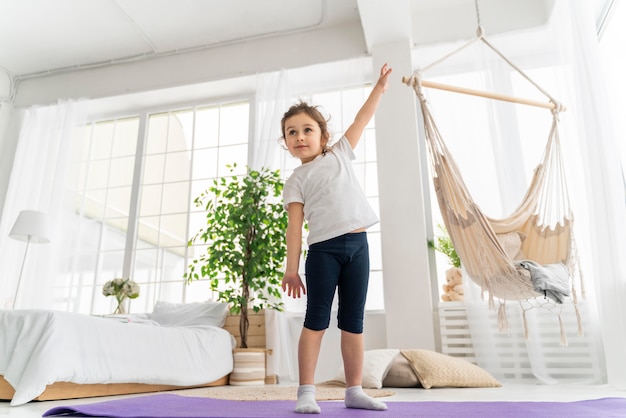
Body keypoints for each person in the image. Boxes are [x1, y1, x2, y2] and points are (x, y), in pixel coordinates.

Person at [280, 63, 393, 414]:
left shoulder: (340, 153)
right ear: (286, 143)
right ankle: (306, 392)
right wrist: (291, 269)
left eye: (307, 130)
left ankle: (354, 390)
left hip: (358, 247)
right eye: (292, 133)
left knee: (353, 321)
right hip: (323, 252)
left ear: (323, 136)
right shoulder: (296, 181)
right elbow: (294, 228)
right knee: (316, 319)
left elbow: (362, 118)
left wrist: (379, 88)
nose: (300, 137)